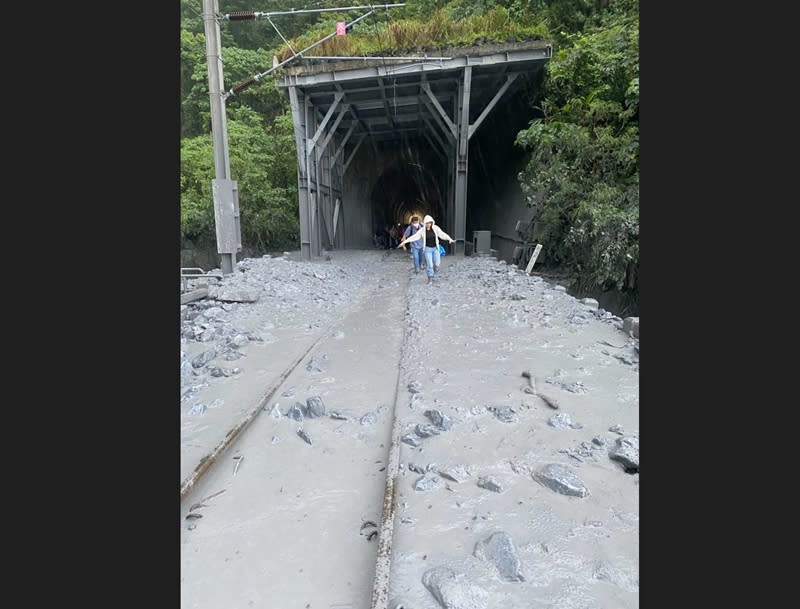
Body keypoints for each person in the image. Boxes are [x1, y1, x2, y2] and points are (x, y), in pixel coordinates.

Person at [397, 214, 455, 284]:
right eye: (427, 223)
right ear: (425, 223)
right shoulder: (422, 230)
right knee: (429, 264)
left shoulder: (435, 228)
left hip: (435, 249)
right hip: (427, 250)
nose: (428, 224)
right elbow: (414, 237)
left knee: (437, 264)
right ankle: (430, 277)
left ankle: (433, 272)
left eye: (429, 223)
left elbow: (442, 234)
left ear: (431, 222)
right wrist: (404, 242)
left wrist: (449, 239)